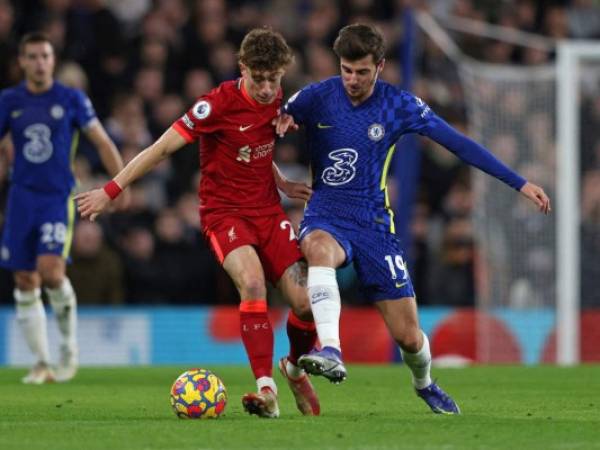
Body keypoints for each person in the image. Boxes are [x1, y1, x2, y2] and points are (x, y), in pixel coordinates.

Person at [275, 24, 551, 414]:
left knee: (408, 337)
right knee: (318, 248)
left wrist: (519, 183)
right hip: (326, 214)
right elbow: (258, 125)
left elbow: (458, 143)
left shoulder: (398, 105)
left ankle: (425, 383)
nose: (352, 80)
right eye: (346, 70)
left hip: (373, 226)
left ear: (381, 66)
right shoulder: (316, 97)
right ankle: (332, 349)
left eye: (362, 72)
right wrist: (279, 165)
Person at [76, 28, 320, 418]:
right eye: (259, 79)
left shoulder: (278, 99)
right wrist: (112, 189)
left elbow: (250, 147)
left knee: (307, 304)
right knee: (253, 283)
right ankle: (266, 390)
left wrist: (281, 180)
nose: (266, 88)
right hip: (225, 215)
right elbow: (160, 149)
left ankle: (291, 368)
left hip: (269, 212)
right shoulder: (216, 104)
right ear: (243, 68)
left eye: (274, 79)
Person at [0, 32, 128, 384]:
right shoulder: (8, 100)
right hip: (21, 199)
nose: (40, 62)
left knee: (51, 271)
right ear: (22, 62)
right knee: (24, 279)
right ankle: (41, 362)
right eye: (32, 57)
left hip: (57, 198)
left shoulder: (71, 99)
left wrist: (118, 184)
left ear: (52, 61)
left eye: (45, 56)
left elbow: (102, 141)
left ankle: (69, 349)